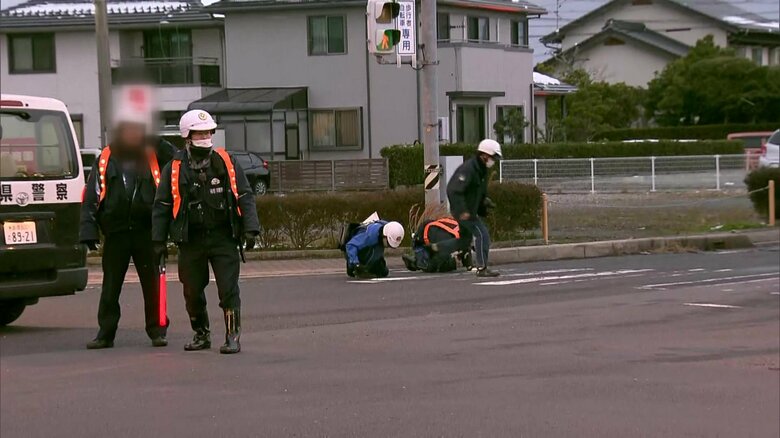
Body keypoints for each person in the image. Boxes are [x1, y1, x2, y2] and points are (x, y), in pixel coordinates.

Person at [152, 109, 260, 354]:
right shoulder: (175, 167)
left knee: (228, 289)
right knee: (191, 289)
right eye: (198, 133)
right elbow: (163, 204)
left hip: (223, 237)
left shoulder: (226, 161)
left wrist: (251, 228)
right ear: (187, 136)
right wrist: (158, 239)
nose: (204, 137)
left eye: (207, 132)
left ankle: (233, 336)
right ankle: (201, 334)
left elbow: (244, 194)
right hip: (191, 240)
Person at [80, 109, 174, 349]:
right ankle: (106, 333)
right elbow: (92, 195)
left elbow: (176, 159)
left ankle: (157, 330)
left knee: (152, 284)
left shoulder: (153, 153)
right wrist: (88, 230)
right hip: (116, 233)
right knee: (111, 285)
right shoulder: (106, 157)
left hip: (146, 231)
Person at [430, 139, 502, 278]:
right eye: (493, 157)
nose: (494, 161)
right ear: (484, 155)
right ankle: (482, 268)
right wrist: (462, 211)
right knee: (482, 235)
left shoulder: (481, 170)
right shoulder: (469, 169)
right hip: (464, 212)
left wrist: (484, 203)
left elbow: (477, 192)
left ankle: (436, 248)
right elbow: (453, 190)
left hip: (469, 211)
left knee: (464, 240)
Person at [402, 217, 472, 273]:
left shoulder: (460, 230)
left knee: (448, 261)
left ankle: (417, 259)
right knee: (444, 264)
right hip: (429, 233)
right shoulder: (457, 236)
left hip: (430, 228)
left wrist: (468, 264)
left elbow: (466, 253)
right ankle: (415, 262)